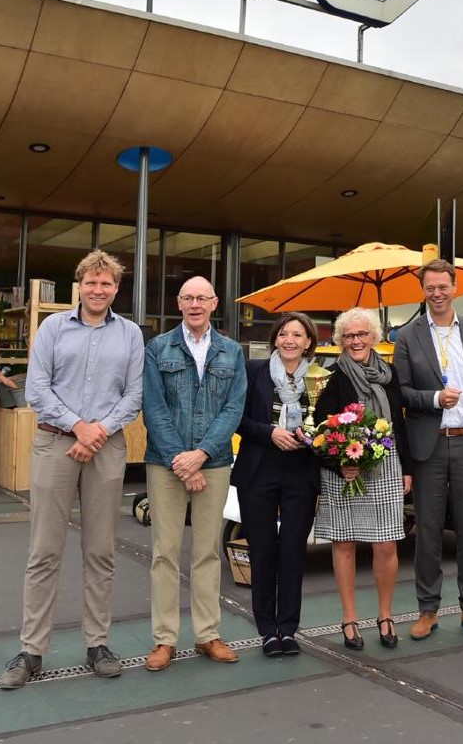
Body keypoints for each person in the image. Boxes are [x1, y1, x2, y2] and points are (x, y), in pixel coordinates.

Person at [0, 250, 143, 690]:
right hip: (54, 444)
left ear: (116, 289)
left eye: (107, 284)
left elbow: (134, 394)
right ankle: (31, 650)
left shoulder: (131, 334)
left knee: (100, 551)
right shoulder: (53, 328)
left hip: (107, 446)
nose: (99, 290)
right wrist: (79, 427)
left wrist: (97, 432)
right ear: (79, 285)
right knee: (44, 551)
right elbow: (37, 389)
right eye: (91, 282)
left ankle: (97, 643)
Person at [142, 275, 246, 670]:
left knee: (206, 552)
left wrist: (201, 454)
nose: (195, 304)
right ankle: (164, 639)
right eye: (189, 298)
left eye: (203, 297)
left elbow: (233, 409)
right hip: (166, 463)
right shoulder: (157, 348)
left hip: (214, 463)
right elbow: (153, 408)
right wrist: (181, 462)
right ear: (179, 303)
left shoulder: (231, 352)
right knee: (164, 554)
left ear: (215, 303)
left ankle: (207, 634)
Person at [394, 259, 463, 640]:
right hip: (428, 446)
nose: (437, 293)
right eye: (430, 287)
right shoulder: (407, 335)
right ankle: (427, 610)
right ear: (423, 291)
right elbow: (400, 392)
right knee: (429, 532)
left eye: (443, 286)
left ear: (456, 288)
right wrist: (434, 398)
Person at [312, 308, 413, 651]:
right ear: (341, 341)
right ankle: (350, 618)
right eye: (349, 336)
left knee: (386, 543)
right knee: (344, 543)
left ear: (374, 337)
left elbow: (399, 423)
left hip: (386, 464)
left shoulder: (390, 373)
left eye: (362, 334)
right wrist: (340, 464)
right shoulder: (333, 376)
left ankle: (385, 615)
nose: (355, 341)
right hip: (346, 470)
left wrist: (408, 468)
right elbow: (321, 429)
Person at [234, 312, 321, 657]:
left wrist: (311, 436)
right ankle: (267, 630)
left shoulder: (320, 377)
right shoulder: (254, 371)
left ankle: (288, 628)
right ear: (275, 339)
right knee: (263, 550)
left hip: (302, 471)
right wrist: (269, 433)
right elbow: (236, 418)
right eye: (283, 334)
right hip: (259, 469)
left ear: (308, 342)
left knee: (292, 552)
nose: (289, 340)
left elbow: (329, 422)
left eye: (297, 335)